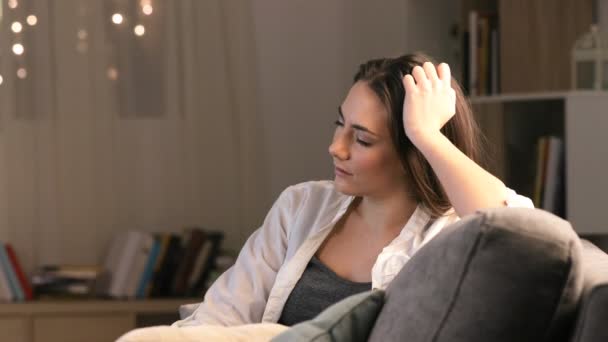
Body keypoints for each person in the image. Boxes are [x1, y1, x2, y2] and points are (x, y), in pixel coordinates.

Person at [173, 53, 534, 327]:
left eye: (362, 139)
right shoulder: (301, 206)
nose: (337, 147)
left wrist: (428, 135)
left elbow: (522, 238)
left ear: (414, 154)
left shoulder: (452, 233)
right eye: (339, 125)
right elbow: (219, 317)